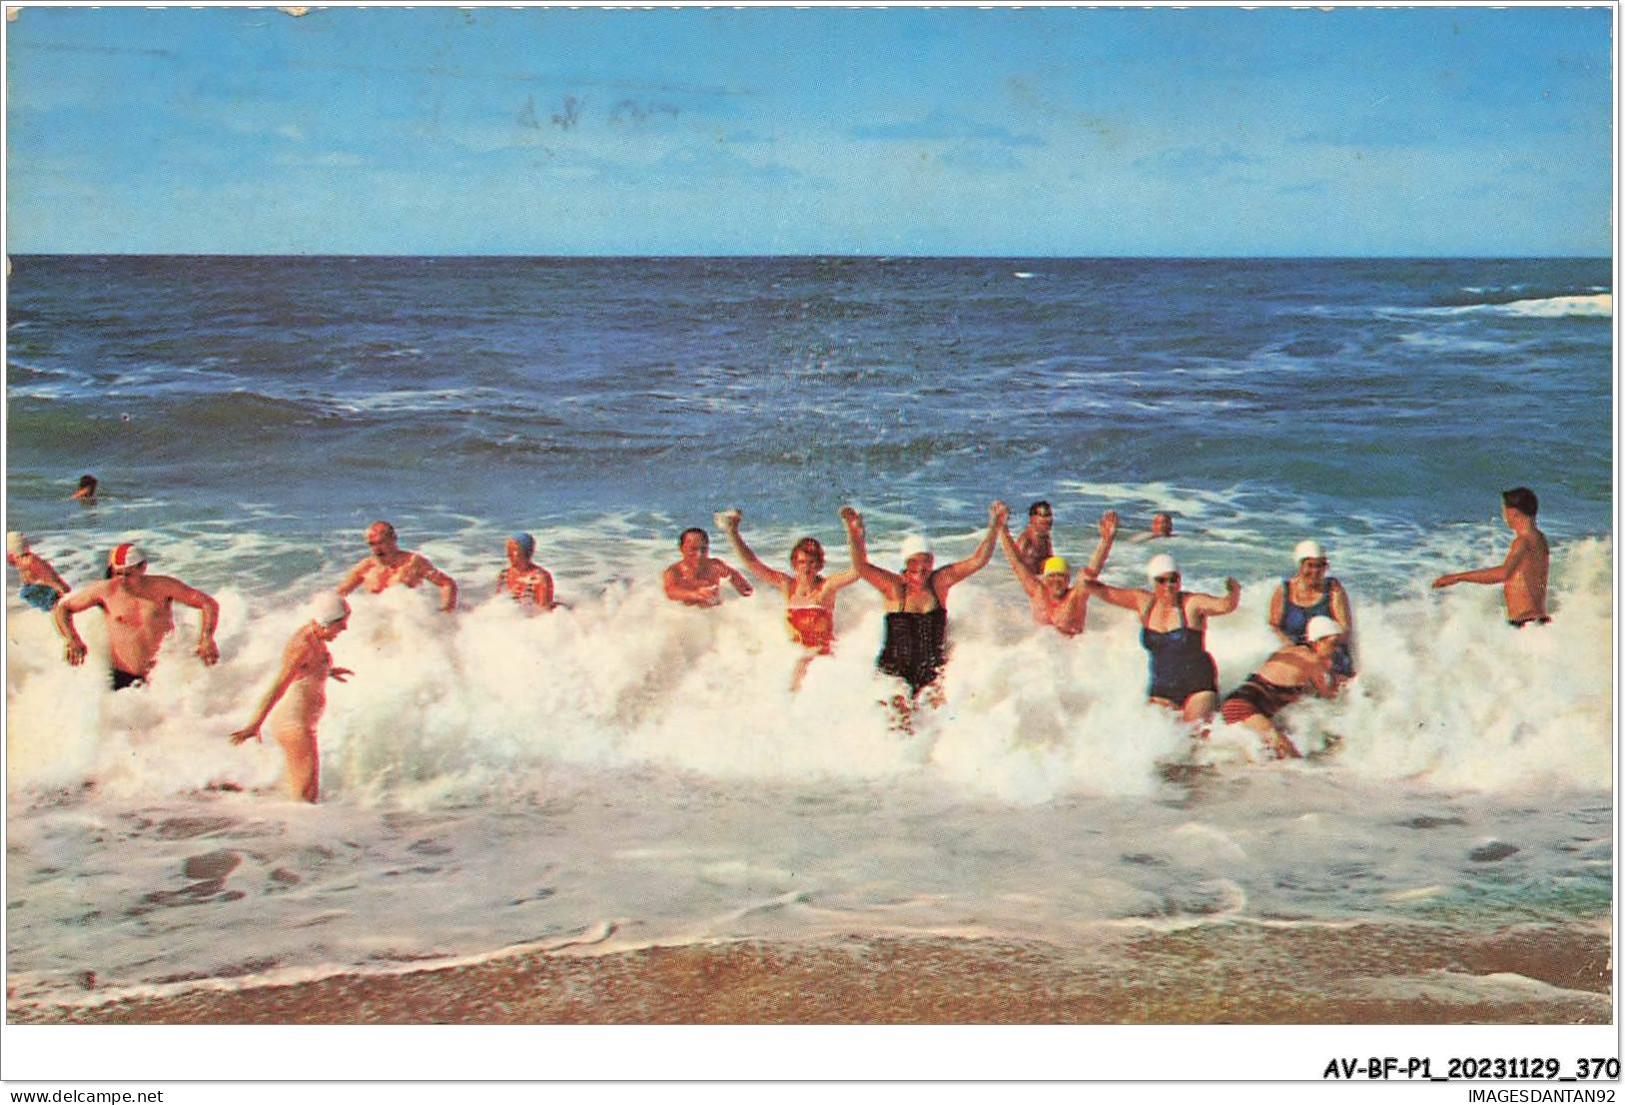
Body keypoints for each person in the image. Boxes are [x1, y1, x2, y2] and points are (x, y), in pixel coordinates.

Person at [843, 501, 1003, 706]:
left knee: (933, 729)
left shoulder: (938, 584)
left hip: (930, 675)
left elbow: (978, 560)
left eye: (925, 561)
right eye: (913, 563)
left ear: (932, 562)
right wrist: (854, 533)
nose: (920, 569)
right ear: (904, 564)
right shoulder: (894, 588)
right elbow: (861, 566)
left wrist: (994, 526)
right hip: (893, 674)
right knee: (897, 726)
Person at [1085, 553, 1241, 723]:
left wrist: (1233, 593)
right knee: (1156, 738)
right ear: (1152, 582)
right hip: (1163, 688)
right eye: (1162, 581)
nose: (1169, 586)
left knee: (1195, 739)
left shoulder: (1192, 604)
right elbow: (1105, 592)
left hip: (1198, 686)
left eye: (1173, 579)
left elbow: (1225, 606)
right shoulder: (1143, 602)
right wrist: (1085, 582)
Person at [230, 592, 354, 803]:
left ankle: (292, 832)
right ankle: (298, 834)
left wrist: (328, 671)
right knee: (306, 799)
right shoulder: (302, 645)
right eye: (341, 623)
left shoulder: (315, 637)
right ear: (325, 621)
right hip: (294, 725)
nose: (345, 628)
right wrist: (254, 724)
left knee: (302, 794)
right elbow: (278, 686)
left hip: (300, 724)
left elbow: (305, 671)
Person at [718, 508, 861, 689]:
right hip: (794, 651)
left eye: (812, 563)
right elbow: (752, 564)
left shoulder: (826, 587)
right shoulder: (787, 586)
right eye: (802, 562)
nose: (806, 568)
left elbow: (858, 571)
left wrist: (852, 531)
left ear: (819, 565)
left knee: (799, 671)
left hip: (822, 653)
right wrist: (733, 532)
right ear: (794, 564)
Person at [53, 542, 221, 689]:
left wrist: (207, 637)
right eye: (117, 573)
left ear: (142, 567)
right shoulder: (105, 591)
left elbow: (208, 604)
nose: (121, 580)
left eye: (127, 574)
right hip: (123, 677)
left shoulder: (163, 586)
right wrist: (71, 638)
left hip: (164, 678)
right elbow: (63, 609)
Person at [1220, 615, 1347, 760]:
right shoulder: (1313, 660)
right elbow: (1329, 695)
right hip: (1243, 708)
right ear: (1318, 640)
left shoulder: (1287, 650)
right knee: (1291, 758)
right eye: (1333, 643)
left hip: (1234, 701)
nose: (1336, 649)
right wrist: (1345, 684)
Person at [1432, 487, 1551, 627]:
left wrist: (1457, 577)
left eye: (1504, 510)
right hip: (1535, 622)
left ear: (1513, 513)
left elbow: (1504, 573)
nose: (1504, 516)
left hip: (1524, 623)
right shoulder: (1540, 539)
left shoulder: (1522, 542)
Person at [996, 508, 1118, 636]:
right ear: (1044, 578)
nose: (1056, 581)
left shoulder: (1075, 597)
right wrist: (1002, 529)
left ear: (1068, 579)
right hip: (1040, 652)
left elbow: (1092, 570)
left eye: (1061, 576)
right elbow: (1017, 563)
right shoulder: (1038, 591)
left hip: (1072, 652)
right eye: (1051, 576)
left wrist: (1106, 541)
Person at [1269, 539, 1355, 677]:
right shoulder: (1284, 590)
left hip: (1328, 655)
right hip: (1296, 652)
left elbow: (1344, 628)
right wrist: (1291, 647)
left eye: (1320, 566)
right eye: (1310, 565)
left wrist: (1328, 642)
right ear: (1300, 565)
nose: (1315, 571)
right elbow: (1273, 626)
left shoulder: (1333, 590)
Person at [338, 521, 458, 612]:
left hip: (408, 622)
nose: (376, 548)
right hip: (377, 621)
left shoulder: (413, 562)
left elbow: (447, 584)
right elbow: (339, 594)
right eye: (372, 544)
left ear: (393, 539)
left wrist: (446, 611)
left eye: (381, 542)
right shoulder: (365, 567)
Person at [662, 527, 753, 607]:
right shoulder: (675, 571)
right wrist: (695, 594)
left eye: (703, 549)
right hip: (686, 617)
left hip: (714, 615)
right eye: (693, 549)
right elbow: (670, 592)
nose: (699, 555)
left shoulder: (715, 566)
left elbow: (747, 590)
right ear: (681, 549)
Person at [7, 532, 70, 611]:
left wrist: (62, 590)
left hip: (52, 593)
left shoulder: (30, 561)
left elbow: (50, 577)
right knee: (26, 592)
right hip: (47, 591)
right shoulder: (23, 561)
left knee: (25, 592)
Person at [496, 532, 556, 609]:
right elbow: (497, 605)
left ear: (525, 552)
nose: (509, 553)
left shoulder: (540, 577)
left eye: (513, 549)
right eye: (508, 549)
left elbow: (544, 612)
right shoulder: (504, 575)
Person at [1012, 501, 1054, 575]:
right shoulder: (1026, 539)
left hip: (1039, 580)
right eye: (1045, 515)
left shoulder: (1045, 537)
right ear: (1032, 518)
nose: (1049, 519)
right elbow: (1015, 564)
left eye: (1050, 515)